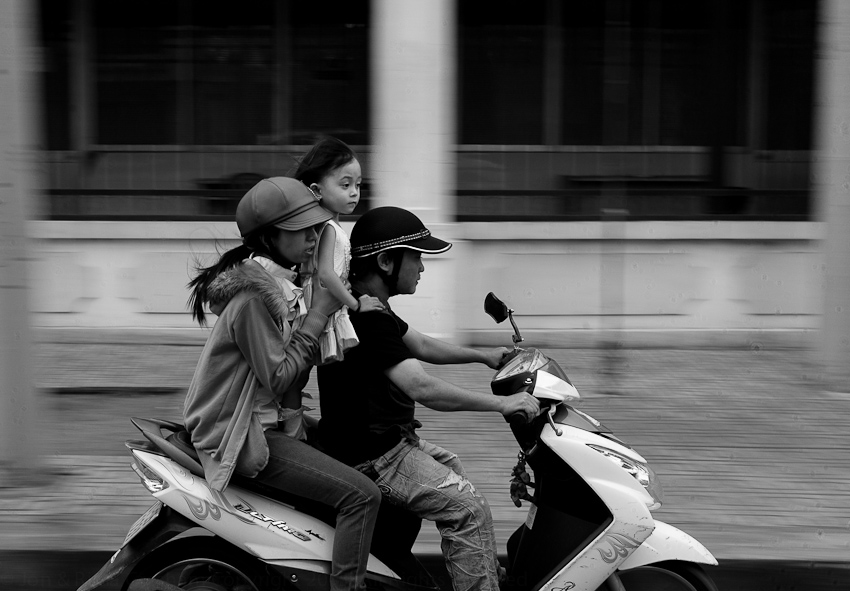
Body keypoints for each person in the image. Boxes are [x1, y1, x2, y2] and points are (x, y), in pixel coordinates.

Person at [316, 206, 541, 591]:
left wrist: (483, 356)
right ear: (387, 261)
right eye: (417, 256)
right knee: (468, 508)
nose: (422, 267)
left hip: (389, 443)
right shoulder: (367, 318)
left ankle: (478, 569)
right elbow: (421, 388)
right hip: (376, 458)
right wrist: (503, 404)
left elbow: (418, 343)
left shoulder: (369, 305)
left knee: (455, 470)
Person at [183, 176, 381, 591]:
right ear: (269, 237)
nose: (313, 239)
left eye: (315, 228)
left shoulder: (277, 284)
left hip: (266, 421)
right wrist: (319, 314)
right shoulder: (255, 298)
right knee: (362, 496)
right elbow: (277, 375)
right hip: (244, 433)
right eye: (301, 231)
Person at [294, 136, 384, 364]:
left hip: (325, 298)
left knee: (308, 357)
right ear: (317, 190)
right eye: (345, 185)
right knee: (306, 359)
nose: (354, 192)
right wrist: (356, 304)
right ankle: (291, 401)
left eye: (358, 184)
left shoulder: (329, 225)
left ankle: (292, 400)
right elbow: (325, 273)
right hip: (319, 300)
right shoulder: (329, 228)